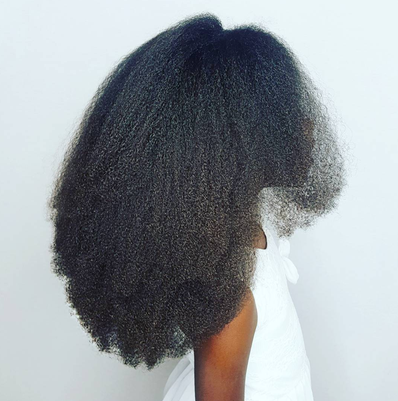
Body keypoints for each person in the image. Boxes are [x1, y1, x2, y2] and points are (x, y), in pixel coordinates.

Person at [47, 12, 347, 401]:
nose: (307, 126)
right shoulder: (232, 304)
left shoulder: (239, 219)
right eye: (285, 115)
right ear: (240, 147)